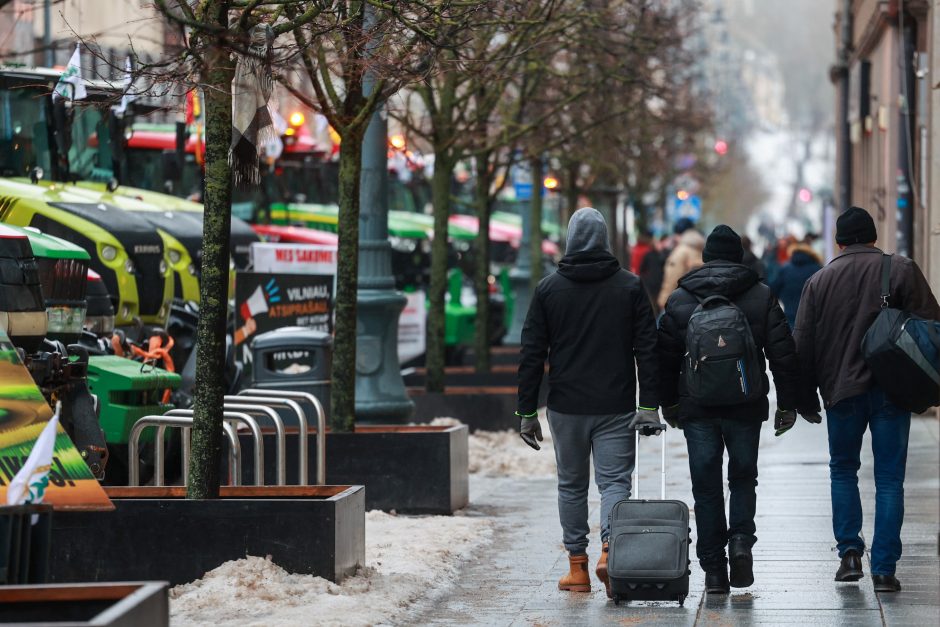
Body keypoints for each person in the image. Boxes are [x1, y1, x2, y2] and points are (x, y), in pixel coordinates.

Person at [793, 206, 940, 592]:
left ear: (839, 242)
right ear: (874, 237)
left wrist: (803, 397)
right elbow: (932, 326)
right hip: (892, 389)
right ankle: (885, 568)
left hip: (841, 391)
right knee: (890, 479)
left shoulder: (819, 281)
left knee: (843, 469)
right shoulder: (902, 269)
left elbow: (803, 346)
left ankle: (850, 554)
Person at [517, 207, 661, 598]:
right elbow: (647, 349)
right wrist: (648, 403)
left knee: (572, 484)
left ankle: (577, 569)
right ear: (604, 239)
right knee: (615, 482)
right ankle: (610, 552)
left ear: (569, 240)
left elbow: (532, 353)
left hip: (565, 405)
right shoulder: (629, 286)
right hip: (615, 403)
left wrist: (527, 412)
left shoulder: (549, 289)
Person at [658, 224, 807, 594]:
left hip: (697, 407)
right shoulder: (760, 294)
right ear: (739, 257)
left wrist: (669, 403)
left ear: (706, 258)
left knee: (706, 487)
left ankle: (713, 569)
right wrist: (788, 404)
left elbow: (662, 358)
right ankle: (740, 541)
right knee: (742, 478)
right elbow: (782, 354)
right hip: (745, 404)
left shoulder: (681, 299)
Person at [769, 243, 823, 328]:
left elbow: (773, 291)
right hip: (814, 319)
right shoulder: (818, 269)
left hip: (791, 317)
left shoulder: (785, 270)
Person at [656, 224, 705, 310]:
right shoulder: (701, 250)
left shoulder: (680, 252)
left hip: (677, 302)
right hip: (698, 303)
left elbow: (673, 278)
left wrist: (663, 300)